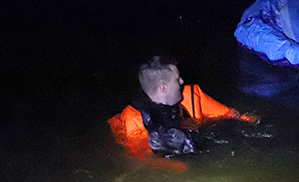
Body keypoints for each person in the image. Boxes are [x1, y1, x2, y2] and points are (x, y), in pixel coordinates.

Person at [109, 56, 257, 158]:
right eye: (176, 79)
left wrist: (254, 123)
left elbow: (229, 114)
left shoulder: (193, 95)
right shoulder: (134, 118)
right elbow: (143, 158)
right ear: (163, 88)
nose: (182, 81)